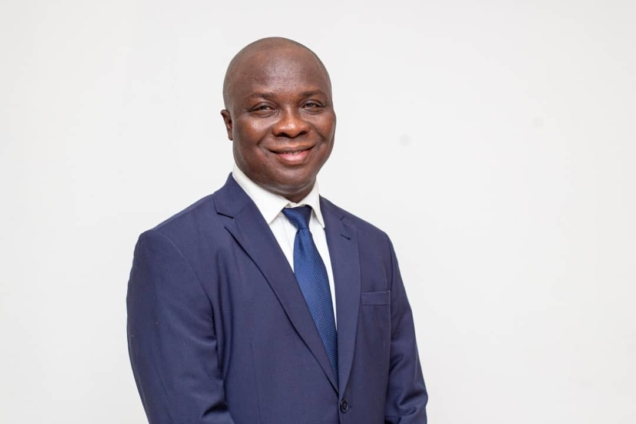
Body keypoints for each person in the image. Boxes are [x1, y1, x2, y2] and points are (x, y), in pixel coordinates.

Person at [127, 37, 428, 424]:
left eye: (311, 105)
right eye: (264, 108)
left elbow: (405, 403)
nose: (292, 125)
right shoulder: (176, 251)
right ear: (230, 123)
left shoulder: (372, 246)